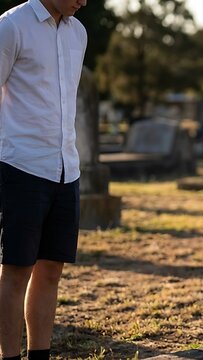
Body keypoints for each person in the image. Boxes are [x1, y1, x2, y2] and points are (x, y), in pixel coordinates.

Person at [0, 0, 87, 359]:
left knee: (51, 270)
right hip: (21, 166)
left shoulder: (79, 33)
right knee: (17, 270)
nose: (83, 1)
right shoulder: (11, 26)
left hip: (67, 168)